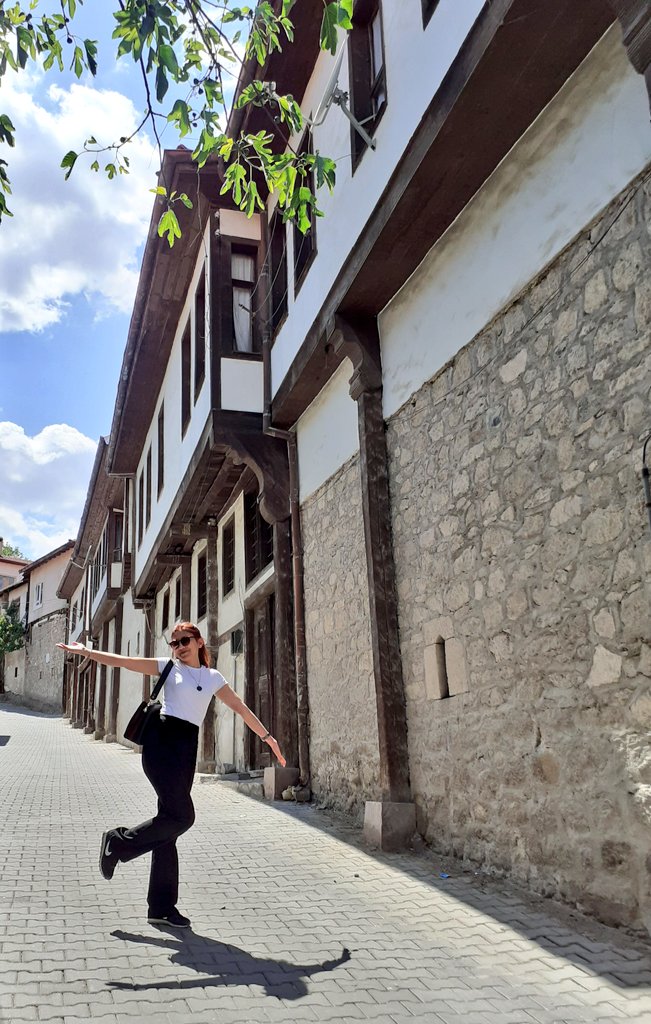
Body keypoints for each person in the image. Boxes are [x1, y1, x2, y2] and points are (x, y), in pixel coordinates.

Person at [57, 621, 285, 929]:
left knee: (169, 826)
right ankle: (118, 843)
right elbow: (122, 661)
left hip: (185, 749)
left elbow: (241, 708)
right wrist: (87, 651)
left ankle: (161, 908)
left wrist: (267, 737)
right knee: (182, 816)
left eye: (185, 640)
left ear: (199, 641)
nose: (179, 647)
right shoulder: (168, 667)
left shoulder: (213, 677)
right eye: (175, 643)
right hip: (161, 744)